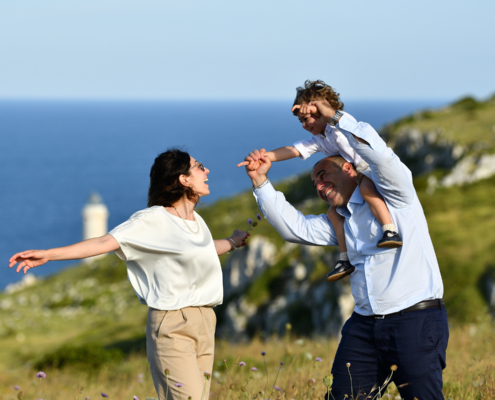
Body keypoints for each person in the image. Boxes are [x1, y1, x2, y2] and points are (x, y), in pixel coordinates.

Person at [242, 100, 448, 400]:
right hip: (364, 327)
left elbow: (383, 159)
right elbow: (294, 229)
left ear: (350, 169)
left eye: (324, 173)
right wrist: (261, 182)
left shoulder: (397, 196)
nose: (319, 184)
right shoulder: (340, 221)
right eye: (314, 182)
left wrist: (337, 118)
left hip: (414, 321)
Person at [9, 148, 249, 400]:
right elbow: (104, 242)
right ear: (183, 179)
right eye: (199, 166)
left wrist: (232, 241)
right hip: (173, 325)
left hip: (205, 321)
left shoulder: (197, 221)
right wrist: (49, 254)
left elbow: (203, 250)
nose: (206, 170)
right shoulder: (152, 220)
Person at [238, 80, 402, 283]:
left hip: (367, 170)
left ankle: (389, 230)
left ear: (323, 110)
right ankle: (345, 258)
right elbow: (293, 150)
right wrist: (265, 157)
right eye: (301, 122)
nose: (305, 126)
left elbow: (367, 140)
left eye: (307, 119)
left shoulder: (339, 125)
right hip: (354, 179)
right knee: (333, 213)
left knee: (368, 190)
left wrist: (330, 114)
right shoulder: (320, 139)